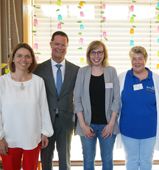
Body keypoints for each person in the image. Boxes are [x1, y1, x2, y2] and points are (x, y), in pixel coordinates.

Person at [0, 43, 53, 170]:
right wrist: (0, 137)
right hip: (8, 138)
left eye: (27, 56)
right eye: (19, 56)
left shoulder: (38, 82)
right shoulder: (2, 82)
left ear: (32, 60)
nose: (23, 60)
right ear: (13, 58)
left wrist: (45, 132)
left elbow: (43, 108)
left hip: (32, 137)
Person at [34, 31, 79, 170]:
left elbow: (79, 97)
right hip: (45, 122)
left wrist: (78, 122)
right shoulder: (39, 69)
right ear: (51, 44)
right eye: (57, 44)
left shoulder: (76, 70)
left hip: (66, 121)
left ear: (67, 46)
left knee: (65, 160)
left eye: (63, 45)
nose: (60, 47)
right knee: (46, 159)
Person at [73, 40, 120, 170]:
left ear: (104, 54)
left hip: (107, 125)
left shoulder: (111, 71)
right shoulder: (82, 72)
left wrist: (111, 124)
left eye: (100, 52)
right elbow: (77, 100)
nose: (96, 56)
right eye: (93, 52)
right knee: (88, 159)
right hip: (88, 125)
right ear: (89, 55)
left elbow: (117, 99)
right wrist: (82, 125)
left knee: (107, 159)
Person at [118, 46, 159, 170]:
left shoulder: (155, 79)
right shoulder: (122, 78)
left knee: (146, 161)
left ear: (145, 60)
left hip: (149, 130)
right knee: (131, 160)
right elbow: (116, 103)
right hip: (128, 130)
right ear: (130, 60)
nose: (137, 62)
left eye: (140, 59)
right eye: (134, 59)